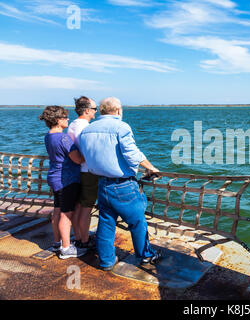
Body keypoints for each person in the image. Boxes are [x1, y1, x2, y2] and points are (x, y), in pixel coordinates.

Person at [79, 97, 162, 271]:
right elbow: (132, 154)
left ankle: (107, 261)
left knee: (106, 222)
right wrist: (151, 167)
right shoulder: (121, 127)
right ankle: (145, 256)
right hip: (123, 185)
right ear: (118, 110)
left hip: (102, 184)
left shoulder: (87, 130)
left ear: (101, 111)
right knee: (138, 222)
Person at [39, 105, 87, 259]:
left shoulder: (49, 136)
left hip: (55, 176)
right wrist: (91, 155)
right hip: (66, 179)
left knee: (58, 211)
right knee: (66, 214)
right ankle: (66, 249)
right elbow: (77, 159)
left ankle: (57, 242)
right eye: (65, 117)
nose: (68, 119)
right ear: (58, 120)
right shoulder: (63, 137)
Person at [67, 96, 98, 249]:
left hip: (77, 171)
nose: (96, 112)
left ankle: (79, 237)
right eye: (94, 109)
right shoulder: (85, 127)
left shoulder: (72, 124)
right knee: (86, 208)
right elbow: (87, 151)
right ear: (87, 110)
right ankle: (85, 241)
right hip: (88, 171)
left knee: (78, 206)